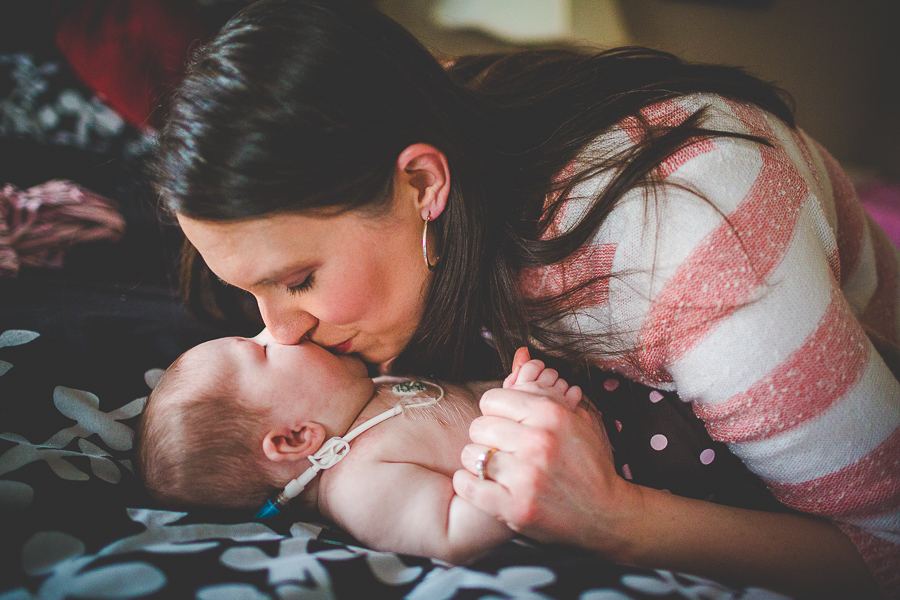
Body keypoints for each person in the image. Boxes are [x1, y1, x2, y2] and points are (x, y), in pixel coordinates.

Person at [153, 0, 897, 597]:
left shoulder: (695, 256)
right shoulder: (407, 120)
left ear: (421, 186)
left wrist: (615, 519)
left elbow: (886, 549)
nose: (280, 332)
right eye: (248, 293)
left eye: (298, 280)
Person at [134, 336, 587, 564]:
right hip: (578, 481)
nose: (277, 331)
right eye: (263, 350)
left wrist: (507, 390)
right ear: (295, 438)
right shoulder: (361, 485)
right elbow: (454, 535)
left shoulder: (360, 399)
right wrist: (520, 428)